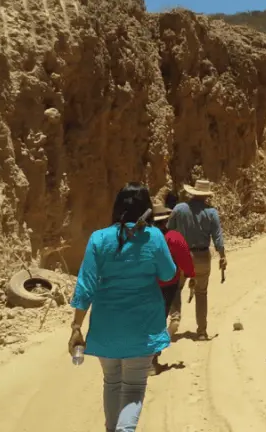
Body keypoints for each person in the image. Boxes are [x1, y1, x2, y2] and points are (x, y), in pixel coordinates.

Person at [68, 183, 177, 432]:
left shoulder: (99, 239)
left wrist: (76, 327)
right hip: (143, 328)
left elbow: (85, 285)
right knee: (134, 389)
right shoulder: (154, 237)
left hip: (107, 328)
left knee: (112, 383)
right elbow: (169, 273)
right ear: (147, 209)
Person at [167, 179, 227, 340]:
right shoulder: (211, 212)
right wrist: (222, 256)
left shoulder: (179, 209)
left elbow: (168, 229)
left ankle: (175, 317)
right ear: (206, 195)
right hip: (202, 257)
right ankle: (201, 331)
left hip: (181, 255)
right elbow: (218, 238)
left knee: (176, 288)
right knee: (201, 293)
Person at [150, 204, 196, 374]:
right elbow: (185, 258)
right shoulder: (173, 237)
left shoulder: (142, 238)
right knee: (162, 321)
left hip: (145, 285)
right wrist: (191, 274)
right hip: (168, 285)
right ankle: (152, 360)